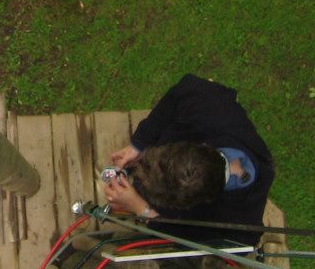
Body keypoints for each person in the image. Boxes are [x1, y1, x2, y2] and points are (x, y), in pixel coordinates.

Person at [105, 73, 275, 246]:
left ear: (191, 205)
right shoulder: (209, 108)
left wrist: (143, 210)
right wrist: (138, 145)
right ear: (199, 146)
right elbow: (184, 90)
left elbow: (238, 246)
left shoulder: (240, 217)